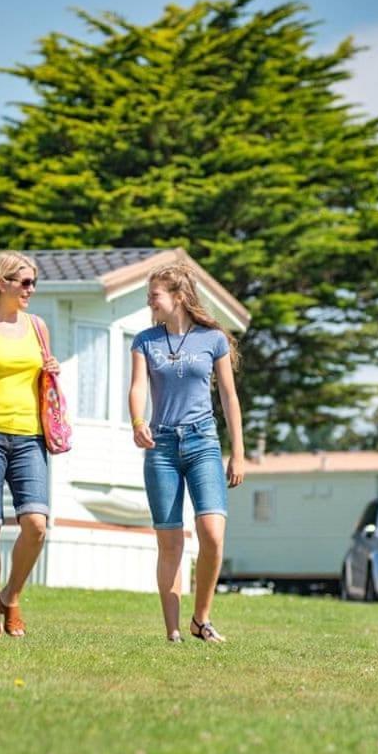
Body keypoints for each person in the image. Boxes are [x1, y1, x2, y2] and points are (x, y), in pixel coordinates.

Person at [128, 262, 245, 643]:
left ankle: (202, 618)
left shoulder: (212, 340)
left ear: (178, 297)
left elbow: (229, 397)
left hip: (203, 443)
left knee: (211, 533)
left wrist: (238, 452)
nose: (150, 303)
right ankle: (174, 631)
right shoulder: (145, 340)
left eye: (155, 296)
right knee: (171, 541)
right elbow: (137, 387)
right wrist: (137, 422)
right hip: (161, 446)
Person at [0, 251, 60, 637]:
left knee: (36, 524)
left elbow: (43, 378)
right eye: (24, 282)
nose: (31, 289)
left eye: (34, 282)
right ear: (1, 282)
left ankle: (12, 596)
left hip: (30, 436)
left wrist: (52, 371)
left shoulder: (37, 326)